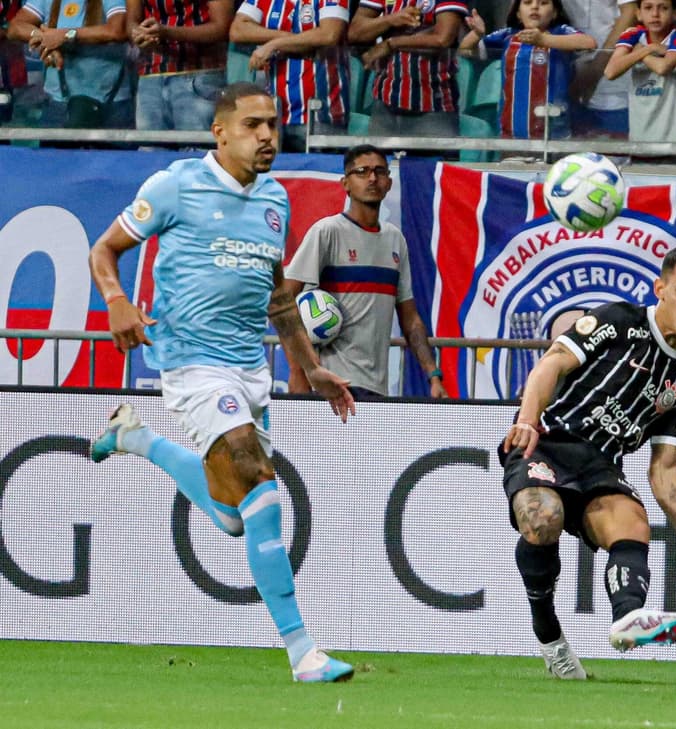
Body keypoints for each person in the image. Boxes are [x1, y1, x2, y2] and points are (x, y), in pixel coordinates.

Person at [87, 82, 356, 683]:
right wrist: (116, 301)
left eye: (274, 125)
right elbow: (104, 251)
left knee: (235, 516)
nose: (267, 136)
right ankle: (302, 652)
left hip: (249, 370)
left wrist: (309, 366)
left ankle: (133, 438)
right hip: (192, 365)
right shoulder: (174, 185)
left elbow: (279, 295)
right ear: (221, 131)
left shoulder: (276, 200)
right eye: (254, 124)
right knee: (259, 481)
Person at [500, 244, 676, 679]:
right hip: (545, 442)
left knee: (633, 524)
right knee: (542, 518)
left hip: (600, 466)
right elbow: (552, 363)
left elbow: (663, 468)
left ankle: (628, 621)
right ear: (660, 289)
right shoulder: (618, 321)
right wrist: (528, 420)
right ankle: (549, 635)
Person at [283, 143, 446, 399]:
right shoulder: (327, 232)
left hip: (375, 389)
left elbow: (410, 318)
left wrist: (433, 374)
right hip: (329, 386)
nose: (372, 178)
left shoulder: (395, 240)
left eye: (380, 171)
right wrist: (297, 372)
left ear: (389, 183)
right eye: (362, 171)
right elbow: (284, 301)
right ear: (345, 183)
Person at [458, 0, 596, 141]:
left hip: (554, 130)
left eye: (543, 3)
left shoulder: (561, 32)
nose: (535, 6)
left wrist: (543, 40)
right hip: (512, 129)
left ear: (554, 13)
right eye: (527, 2)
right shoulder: (508, 35)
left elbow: (589, 43)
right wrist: (476, 33)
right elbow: (465, 50)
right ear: (518, 13)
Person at [229, 0, 350, 153]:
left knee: (319, 173)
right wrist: (288, 40)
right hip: (274, 115)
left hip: (321, 112)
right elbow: (237, 30)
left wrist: (273, 45)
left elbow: (329, 34)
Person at [347, 0, 467, 139]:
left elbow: (443, 38)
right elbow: (354, 32)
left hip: (434, 105)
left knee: (432, 161)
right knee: (381, 160)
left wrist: (392, 44)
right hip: (385, 100)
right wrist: (390, 20)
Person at [9, 0, 133, 130]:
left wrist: (66, 35)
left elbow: (118, 30)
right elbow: (15, 27)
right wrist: (43, 38)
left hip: (109, 103)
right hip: (58, 104)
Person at [604, 0, 676, 146]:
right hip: (639, 142)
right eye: (648, 8)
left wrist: (639, 53)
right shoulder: (633, 34)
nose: (655, 14)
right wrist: (648, 49)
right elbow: (610, 72)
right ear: (639, 14)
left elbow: (663, 68)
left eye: (663, 8)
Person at [127, 0, 231, 131]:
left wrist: (167, 32)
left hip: (198, 75)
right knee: (150, 149)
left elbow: (222, 27)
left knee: (197, 149)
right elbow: (131, 22)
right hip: (151, 77)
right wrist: (138, 34)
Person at [563, 0, 637, 138]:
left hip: (611, 74)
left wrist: (597, 68)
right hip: (562, 77)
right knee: (568, 155)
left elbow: (630, 11)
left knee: (613, 154)